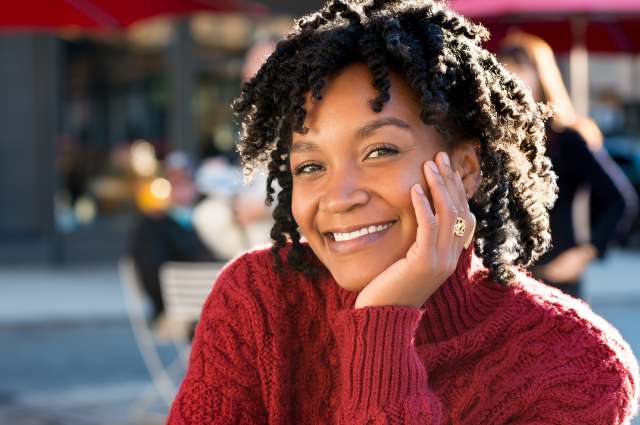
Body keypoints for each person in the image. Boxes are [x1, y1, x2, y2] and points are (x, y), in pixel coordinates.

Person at [167, 1, 639, 423]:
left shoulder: (578, 364)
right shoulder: (257, 300)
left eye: (379, 151)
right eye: (310, 165)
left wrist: (382, 326)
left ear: (466, 168)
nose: (339, 196)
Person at [498, 32, 639, 299]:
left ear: (541, 74)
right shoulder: (495, 138)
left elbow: (620, 200)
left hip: (555, 276)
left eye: (521, 69)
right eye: (505, 69)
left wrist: (586, 253)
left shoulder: (567, 138)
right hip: (504, 278)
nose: (513, 77)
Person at [128, 151, 219, 323]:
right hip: (180, 310)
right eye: (175, 183)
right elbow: (151, 273)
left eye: (186, 181)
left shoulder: (209, 216)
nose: (181, 189)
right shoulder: (152, 226)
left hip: (211, 303)